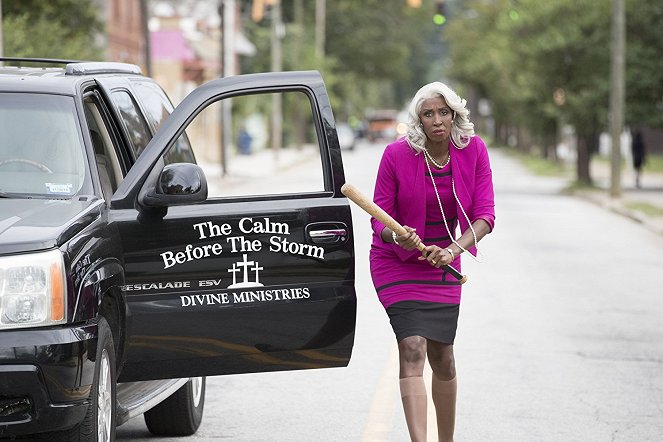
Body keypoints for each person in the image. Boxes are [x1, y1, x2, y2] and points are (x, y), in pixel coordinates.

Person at [369, 82, 495, 441]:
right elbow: (379, 220)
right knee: (412, 347)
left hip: (443, 263)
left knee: (443, 358)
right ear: (419, 120)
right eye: (429, 114)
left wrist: (453, 251)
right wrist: (398, 234)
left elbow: (485, 215)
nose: (437, 120)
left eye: (443, 112)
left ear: (454, 115)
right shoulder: (396, 155)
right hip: (396, 262)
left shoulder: (474, 151)